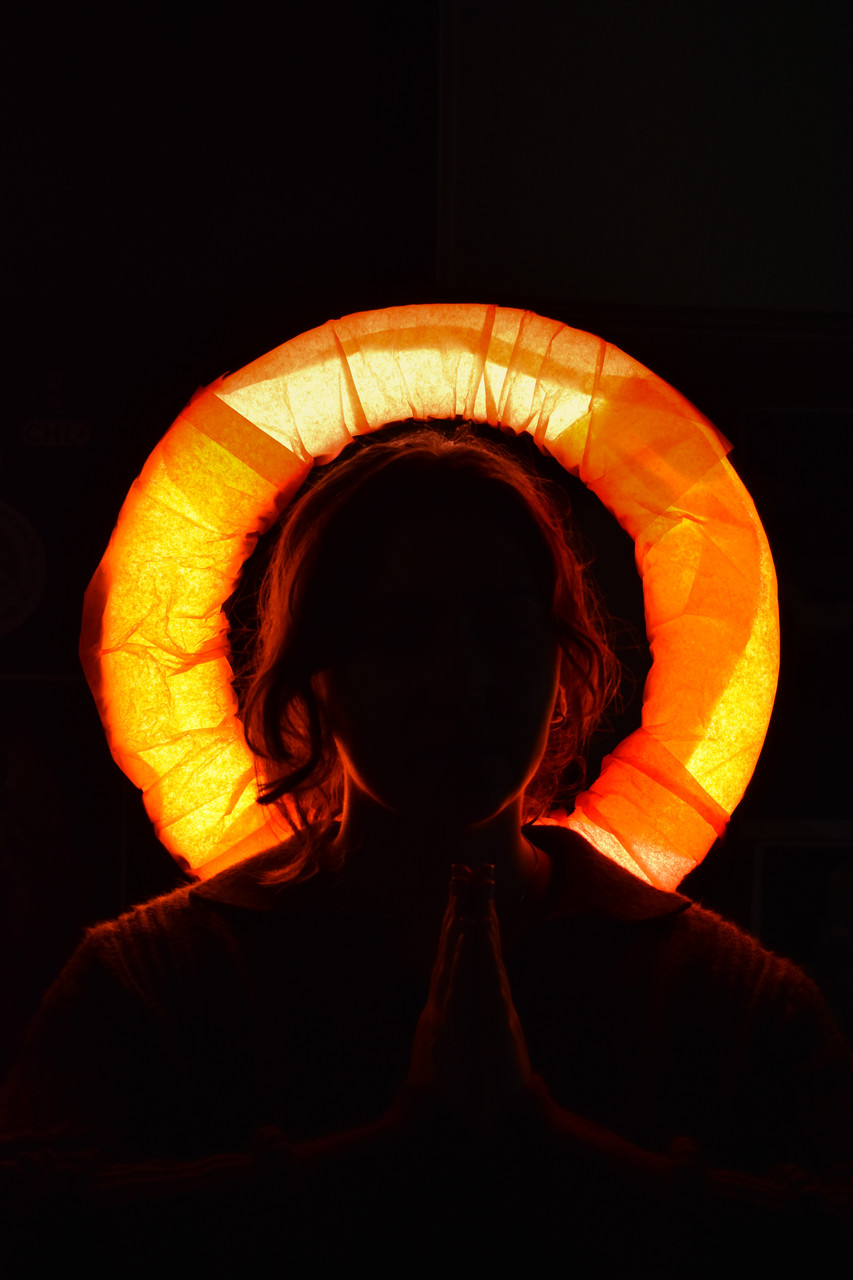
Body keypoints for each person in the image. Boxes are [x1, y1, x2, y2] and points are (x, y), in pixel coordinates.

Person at [1, 422, 851, 1274]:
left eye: (505, 629)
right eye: (400, 630)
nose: (462, 683)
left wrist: (550, 1149)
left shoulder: (732, 1004)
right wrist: (387, 1156)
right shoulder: (151, 986)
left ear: (566, 668)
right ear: (312, 672)